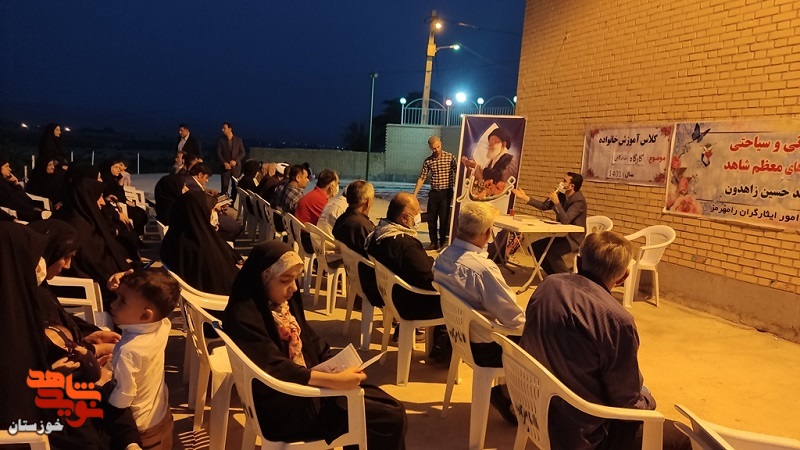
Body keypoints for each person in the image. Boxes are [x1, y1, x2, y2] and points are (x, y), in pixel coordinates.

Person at [223, 241, 407, 449]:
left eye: (295, 279)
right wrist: (334, 381)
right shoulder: (245, 317)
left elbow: (312, 343)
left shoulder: (280, 307)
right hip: (286, 408)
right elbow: (276, 368)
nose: (294, 288)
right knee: (388, 418)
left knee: (387, 406)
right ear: (262, 278)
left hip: (299, 391)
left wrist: (336, 364)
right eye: (285, 280)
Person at [520, 231, 690, 450]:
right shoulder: (618, 321)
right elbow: (627, 404)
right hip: (583, 435)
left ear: (579, 261)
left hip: (534, 408)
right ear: (623, 277)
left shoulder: (548, 285)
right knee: (682, 437)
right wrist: (648, 400)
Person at [433, 202, 524, 422]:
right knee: (547, 342)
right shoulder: (482, 269)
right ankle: (515, 400)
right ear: (488, 233)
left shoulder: (443, 255)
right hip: (487, 347)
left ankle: (505, 392)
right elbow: (514, 319)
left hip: (461, 339)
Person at [108, 269, 180, 450]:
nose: (113, 304)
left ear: (146, 315)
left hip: (142, 430)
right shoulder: (163, 325)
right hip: (161, 415)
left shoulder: (127, 352)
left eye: (122, 300)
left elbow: (122, 400)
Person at [53, 170, 132, 306]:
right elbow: (98, 267)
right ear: (87, 199)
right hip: (92, 291)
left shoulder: (77, 217)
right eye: (99, 197)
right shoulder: (80, 229)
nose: (102, 202)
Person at [367, 192, 440, 320]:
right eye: (417, 212)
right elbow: (428, 278)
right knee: (452, 301)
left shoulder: (377, 234)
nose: (419, 216)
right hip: (407, 303)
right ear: (404, 218)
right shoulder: (406, 244)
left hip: (389, 295)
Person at [160, 191, 242, 295]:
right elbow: (225, 283)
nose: (215, 215)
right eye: (213, 211)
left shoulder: (175, 238)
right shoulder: (204, 248)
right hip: (220, 299)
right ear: (200, 214)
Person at [512, 171, 587, 274]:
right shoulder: (562, 195)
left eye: (564, 181)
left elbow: (566, 220)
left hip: (573, 238)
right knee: (535, 247)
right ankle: (553, 274)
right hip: (561, 235)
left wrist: (557, 203)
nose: (561, 183)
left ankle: (566, 277)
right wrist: (525, 197)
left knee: (552, 252)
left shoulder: (578, 201)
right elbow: (544, 206)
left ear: (572, 186)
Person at [333, 180, 381, 308]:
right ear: (368, 202)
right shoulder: (362, 226)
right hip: (368, 281)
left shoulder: (342, 220)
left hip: (354, 276)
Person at [412, 136, 456, 250]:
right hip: (434, 192)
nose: (436, 150)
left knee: (444, 218)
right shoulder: (428, 161)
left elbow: (458, 171)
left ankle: (442, 242)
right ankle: (433, 242)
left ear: (441, 144)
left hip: (446, 192)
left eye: (438, 147)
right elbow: (422, 178)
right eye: (434, 148)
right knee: (431, 218)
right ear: (430, 148)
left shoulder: (450, 157)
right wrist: (414, 195)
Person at [461, 127, 518, 198]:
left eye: (494, 141)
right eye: (490, 141)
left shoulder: (511, 160)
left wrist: (473, 165)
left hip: (501, 198)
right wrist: (468, 166)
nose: (490, 144)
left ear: (503, 144)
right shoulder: (491, 162)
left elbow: (501, 178)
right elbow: (482, 177)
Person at [0, 157, 52, 222]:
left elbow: (25, 199)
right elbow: (14, 201)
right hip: (16, 215)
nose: (10, 169)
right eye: (6, 166)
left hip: (25, 210)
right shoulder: (2, 185)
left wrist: (16, 184)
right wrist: (32, 209)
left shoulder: (8, 183)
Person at [216, 122, 246, 196]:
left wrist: (236, 161)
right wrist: (224, 163)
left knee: (235, 187)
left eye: (224, 128)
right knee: (224, 187)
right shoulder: (221, 140)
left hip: (236, 168)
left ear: (230, 129)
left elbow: (243, 152)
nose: (222, 130)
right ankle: (224, 200)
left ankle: (232, 201)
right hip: (225, 168)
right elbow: (219, 153)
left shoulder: (238, 140)